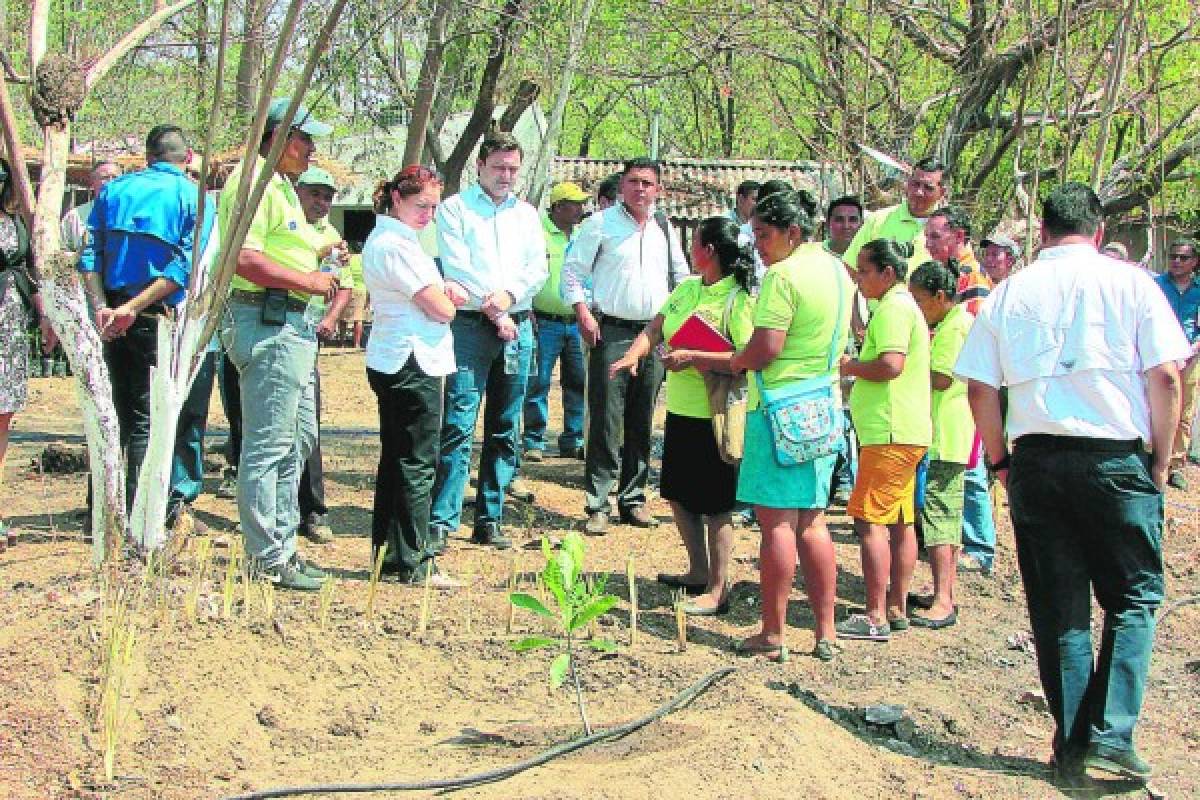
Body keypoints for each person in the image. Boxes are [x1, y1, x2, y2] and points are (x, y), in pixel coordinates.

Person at [954, 182, 1187, 783]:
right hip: (1115, 457)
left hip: (1036, 457)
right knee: (1134, 597)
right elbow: (1165, 375)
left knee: (1061, 612)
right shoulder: (1133, 283)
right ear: (1100, 231)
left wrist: (1001, 461)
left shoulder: (1011, 291)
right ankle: (1110, 734)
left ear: (1042, 232)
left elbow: (980, 385)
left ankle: (1075, 745)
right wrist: (1162, 458)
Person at [218, 97, 337, 590]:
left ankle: (284, 546)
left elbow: (279, 247)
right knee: (268, 445)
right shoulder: (253, 180)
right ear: (279, 135)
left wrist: (319, 255)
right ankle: (267, 557)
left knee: (299, 437)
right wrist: (305, 281)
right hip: (265, 320)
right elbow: (243, 259)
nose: (312, 149)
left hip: (293, 326)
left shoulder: (284, 187)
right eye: (305, 138)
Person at [609, 216, 755, 616]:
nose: (689, 248)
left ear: (707, 250)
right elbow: (656, 329)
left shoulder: (737, 300)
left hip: (716, 414)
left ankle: (719, 587)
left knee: (716, 504)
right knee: (678, 493)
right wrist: (633, 355)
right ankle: (697, 570)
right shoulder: (688, 288)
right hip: (680, 410)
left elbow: (744, 359)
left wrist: (694, 357)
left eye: (694, 242)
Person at [729, 192, 853, 661]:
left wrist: (738, 360)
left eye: (764, 235)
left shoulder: (783, 276)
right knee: (813, 520)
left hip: (778, 406)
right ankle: (826, 632)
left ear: (792, 233)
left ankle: (774, 632)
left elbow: (767, 348)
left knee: (776, 523)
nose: (758, 244)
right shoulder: (836, 270)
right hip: (824, 406)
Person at [78, 125, 213, 530]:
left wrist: (104, 307)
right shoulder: (194, 198)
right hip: (153, 319)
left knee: (110, 414)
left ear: (146, 155)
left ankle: (100, 510)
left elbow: (90, 257)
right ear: (187, 158)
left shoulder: (114, 191)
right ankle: (135, 520)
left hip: (109, 315)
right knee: (146, 420)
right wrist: (134, 309)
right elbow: (184, 269)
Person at [429, 133, 548, 550]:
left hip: (519, 327)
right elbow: (457, 267)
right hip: (470, 327)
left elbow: (538, 268)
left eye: (513, 168)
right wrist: (493, 310)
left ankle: (489, 518)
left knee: (504, 426)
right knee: (459, 423)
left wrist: (510, 298)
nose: (506, 176)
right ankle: (443, 519)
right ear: (479, 165)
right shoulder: (455, 209)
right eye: (498, 167)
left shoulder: (528, 215)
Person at [562, 157, 690, 534]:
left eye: (647, 183)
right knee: (605, 418)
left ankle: (633, 498)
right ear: (622, 187)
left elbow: (682, 278)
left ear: (658, 189)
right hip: (611, 331)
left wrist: (674, 322)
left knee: (641, 417)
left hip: (653, 333)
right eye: (633, 182)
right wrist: (582, 312)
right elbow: (572, 271)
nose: (640, 189)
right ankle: (598, 502)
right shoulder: (599, 225)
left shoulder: (665, 227)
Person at [365, 166, 463, 587]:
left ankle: (390, 555)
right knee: (416, 463)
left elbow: (433, 297)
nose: (428, 215)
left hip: (400, 357)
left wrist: (442, 294)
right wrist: (448, 298)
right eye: (421, 205)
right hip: (412, 360)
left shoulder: (395, 240)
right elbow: (441, 308)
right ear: (397, 199)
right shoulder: (395, 244)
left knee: (398, 460)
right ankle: (414, 560)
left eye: (434, 208)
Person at [836, 239, 931, 642]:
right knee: (899, 520)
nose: (859, 279)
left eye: (864, 271)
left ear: (887, 273)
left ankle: (875, 614)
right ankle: (895, 606)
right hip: (903, 430)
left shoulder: (894, 307)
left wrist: (851, 366)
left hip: (889, 431)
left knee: (870, 519)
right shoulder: (900, 307)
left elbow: (891, 365)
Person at [924, 204, 996, 575]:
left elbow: (973, 340)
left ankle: (980, 546)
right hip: (952, 392)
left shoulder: (973, 282)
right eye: (927, 235)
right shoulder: (953, 275)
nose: (928, 242)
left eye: (936, 236)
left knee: (970, 470)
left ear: (960, 238)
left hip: (963, 391)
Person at [907, 261, 975, 628]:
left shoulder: (954, 327)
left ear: (940, 296)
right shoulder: (953, 323)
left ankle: (944, 600)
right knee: (941, 515)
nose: (918, 309)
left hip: (946, 434)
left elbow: (941, 378)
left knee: (940, 518)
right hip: (947, 431)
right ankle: (941, 591)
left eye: (920, 301)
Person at [0, 157, 57, 552]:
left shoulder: (15, 220)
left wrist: (46, 314)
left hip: (8, 325)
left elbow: (27, 267)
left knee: (3, 415)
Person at [294, 166, 352, 544]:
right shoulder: (288, 226)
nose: (322, 202)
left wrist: (330, 319)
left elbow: (344, 286)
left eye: (328, 196)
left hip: (307, 334)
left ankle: (313, 510)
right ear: (299, 192)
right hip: (272, 327)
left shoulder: (332, 235)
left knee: (307, 425)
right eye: (315, 193)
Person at [522, 181, 590, 464]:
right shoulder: (538, 234)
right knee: (538, 382)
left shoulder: (583, 235)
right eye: (575, 204)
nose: (581, 210)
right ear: (559, 206)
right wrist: (526, 308)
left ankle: (573, 439)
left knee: (577, 381)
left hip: (576, 322)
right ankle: (534, 440)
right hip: (544, 322)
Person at [824, 195, 865, 504]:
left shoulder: (871, 256)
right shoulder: (819, 259)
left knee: (858, 417)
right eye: (840, 219)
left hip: (865, 346)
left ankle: (854, 482)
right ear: (828, 224)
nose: (846, 226)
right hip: (829, 346)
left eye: (853, 220)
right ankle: (837, 478)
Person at [842, 156, 945, 271]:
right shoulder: (878, 220)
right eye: (915, 184)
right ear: (907, 184)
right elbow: (850, 265)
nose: (919, 192)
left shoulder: (949, 230)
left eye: (928, 188)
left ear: (942, 192)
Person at [1153, 238, 1200, 490]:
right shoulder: (1156, 285)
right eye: (1173, 256)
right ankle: (1153, 457)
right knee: (1156, 405)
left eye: (1183, 258)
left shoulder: (1199, 289)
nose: (1177, 262)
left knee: (1184, 411)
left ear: (1195, 262)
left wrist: (1194, 348)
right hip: (1160, 356)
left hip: (1191, 356)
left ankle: (1176, 464)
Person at [61, 161, 122, 254]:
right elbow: (61, 252)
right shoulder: (75, 216)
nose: (111, 181)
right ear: (92, 182)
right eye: (105, 177)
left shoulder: (130, 214)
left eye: (115, 177)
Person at [338, 241, 368, 348]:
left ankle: (341, 342)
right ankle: (356, 344)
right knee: (358, 318)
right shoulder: (365, 260)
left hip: (347, 288)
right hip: (361, 289)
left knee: (343, 318)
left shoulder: (348, 258)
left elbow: (342, 272)